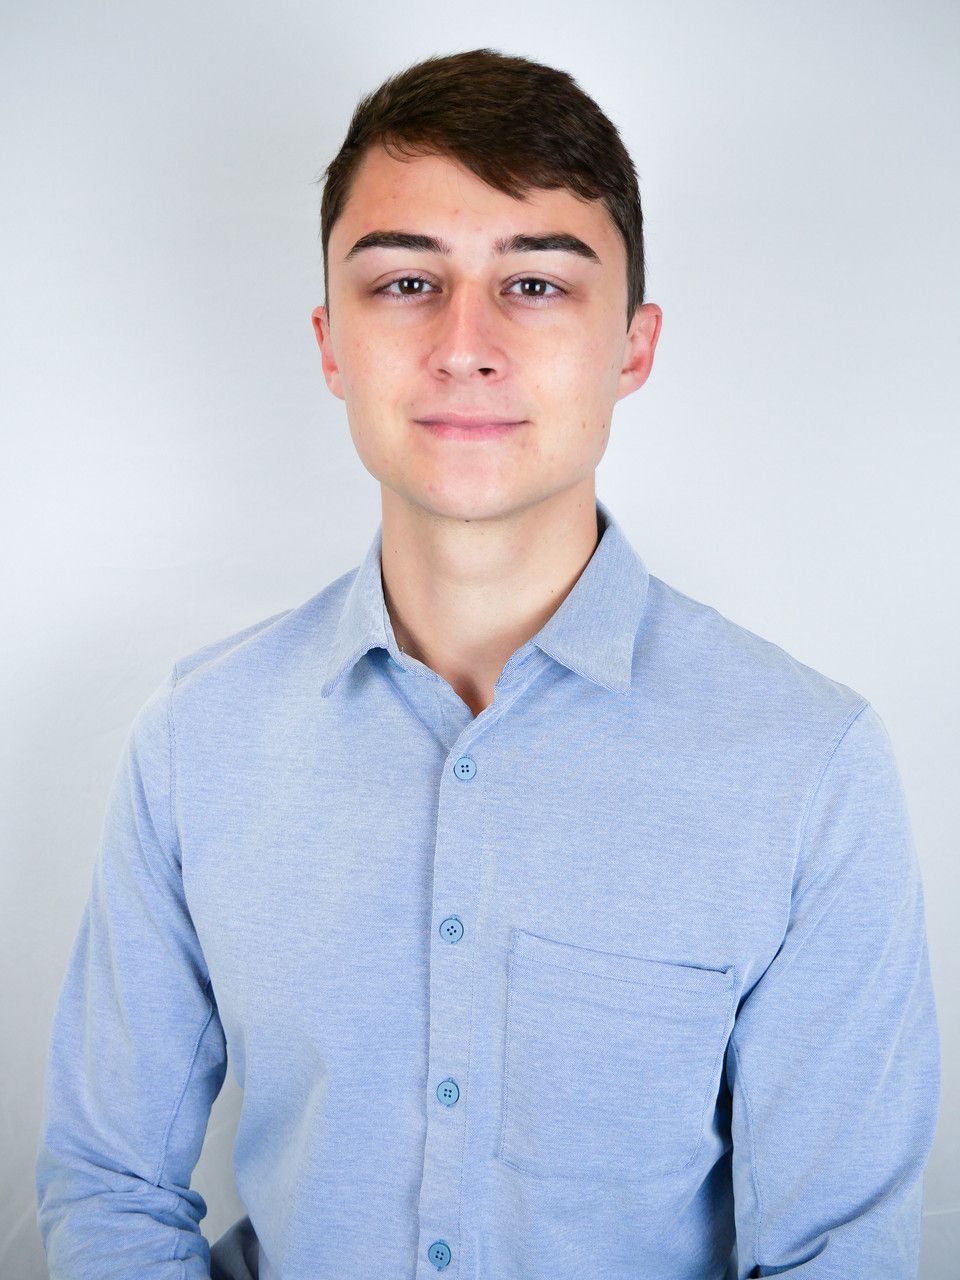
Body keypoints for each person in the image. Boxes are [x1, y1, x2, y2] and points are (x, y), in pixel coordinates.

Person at [35, 47, 940, 1280]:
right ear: (330, 343)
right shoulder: (197, 739)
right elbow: (109, 1186)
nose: (465, 344)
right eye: (407, 280)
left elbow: (839, 1252)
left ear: (633, 345)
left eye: (535, 284)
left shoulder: (806, 765)